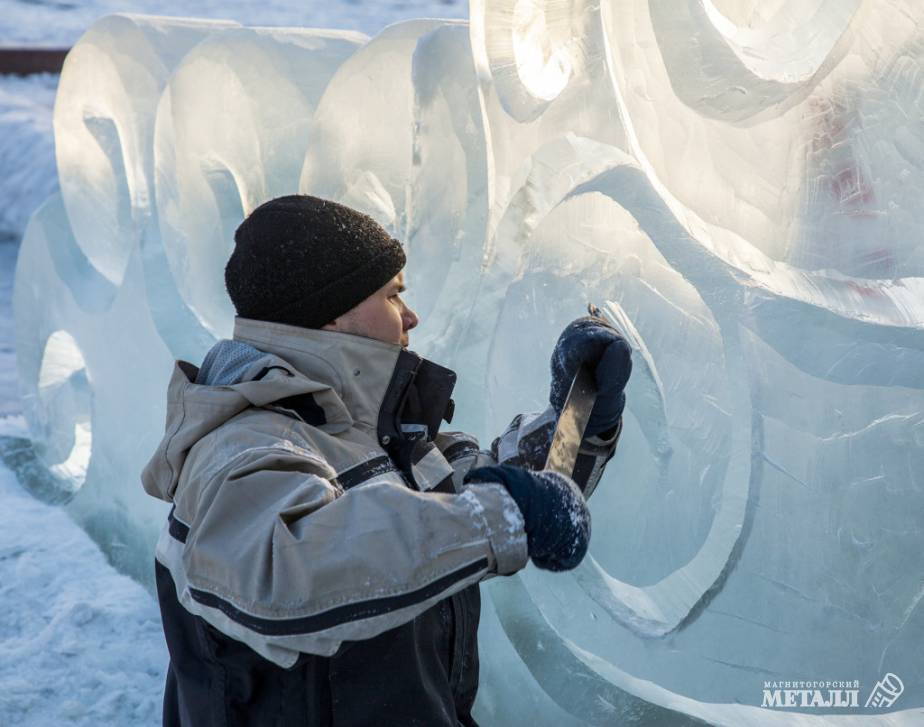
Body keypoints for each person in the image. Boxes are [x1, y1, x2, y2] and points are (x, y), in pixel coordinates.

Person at [142, 195, 632, 726]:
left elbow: (461, 500)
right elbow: (290, 569)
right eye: (394, 295)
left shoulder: (371, 434)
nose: (411, 316)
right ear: (330, 315)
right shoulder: (242, 445)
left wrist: (574, 422)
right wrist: (499, 516)